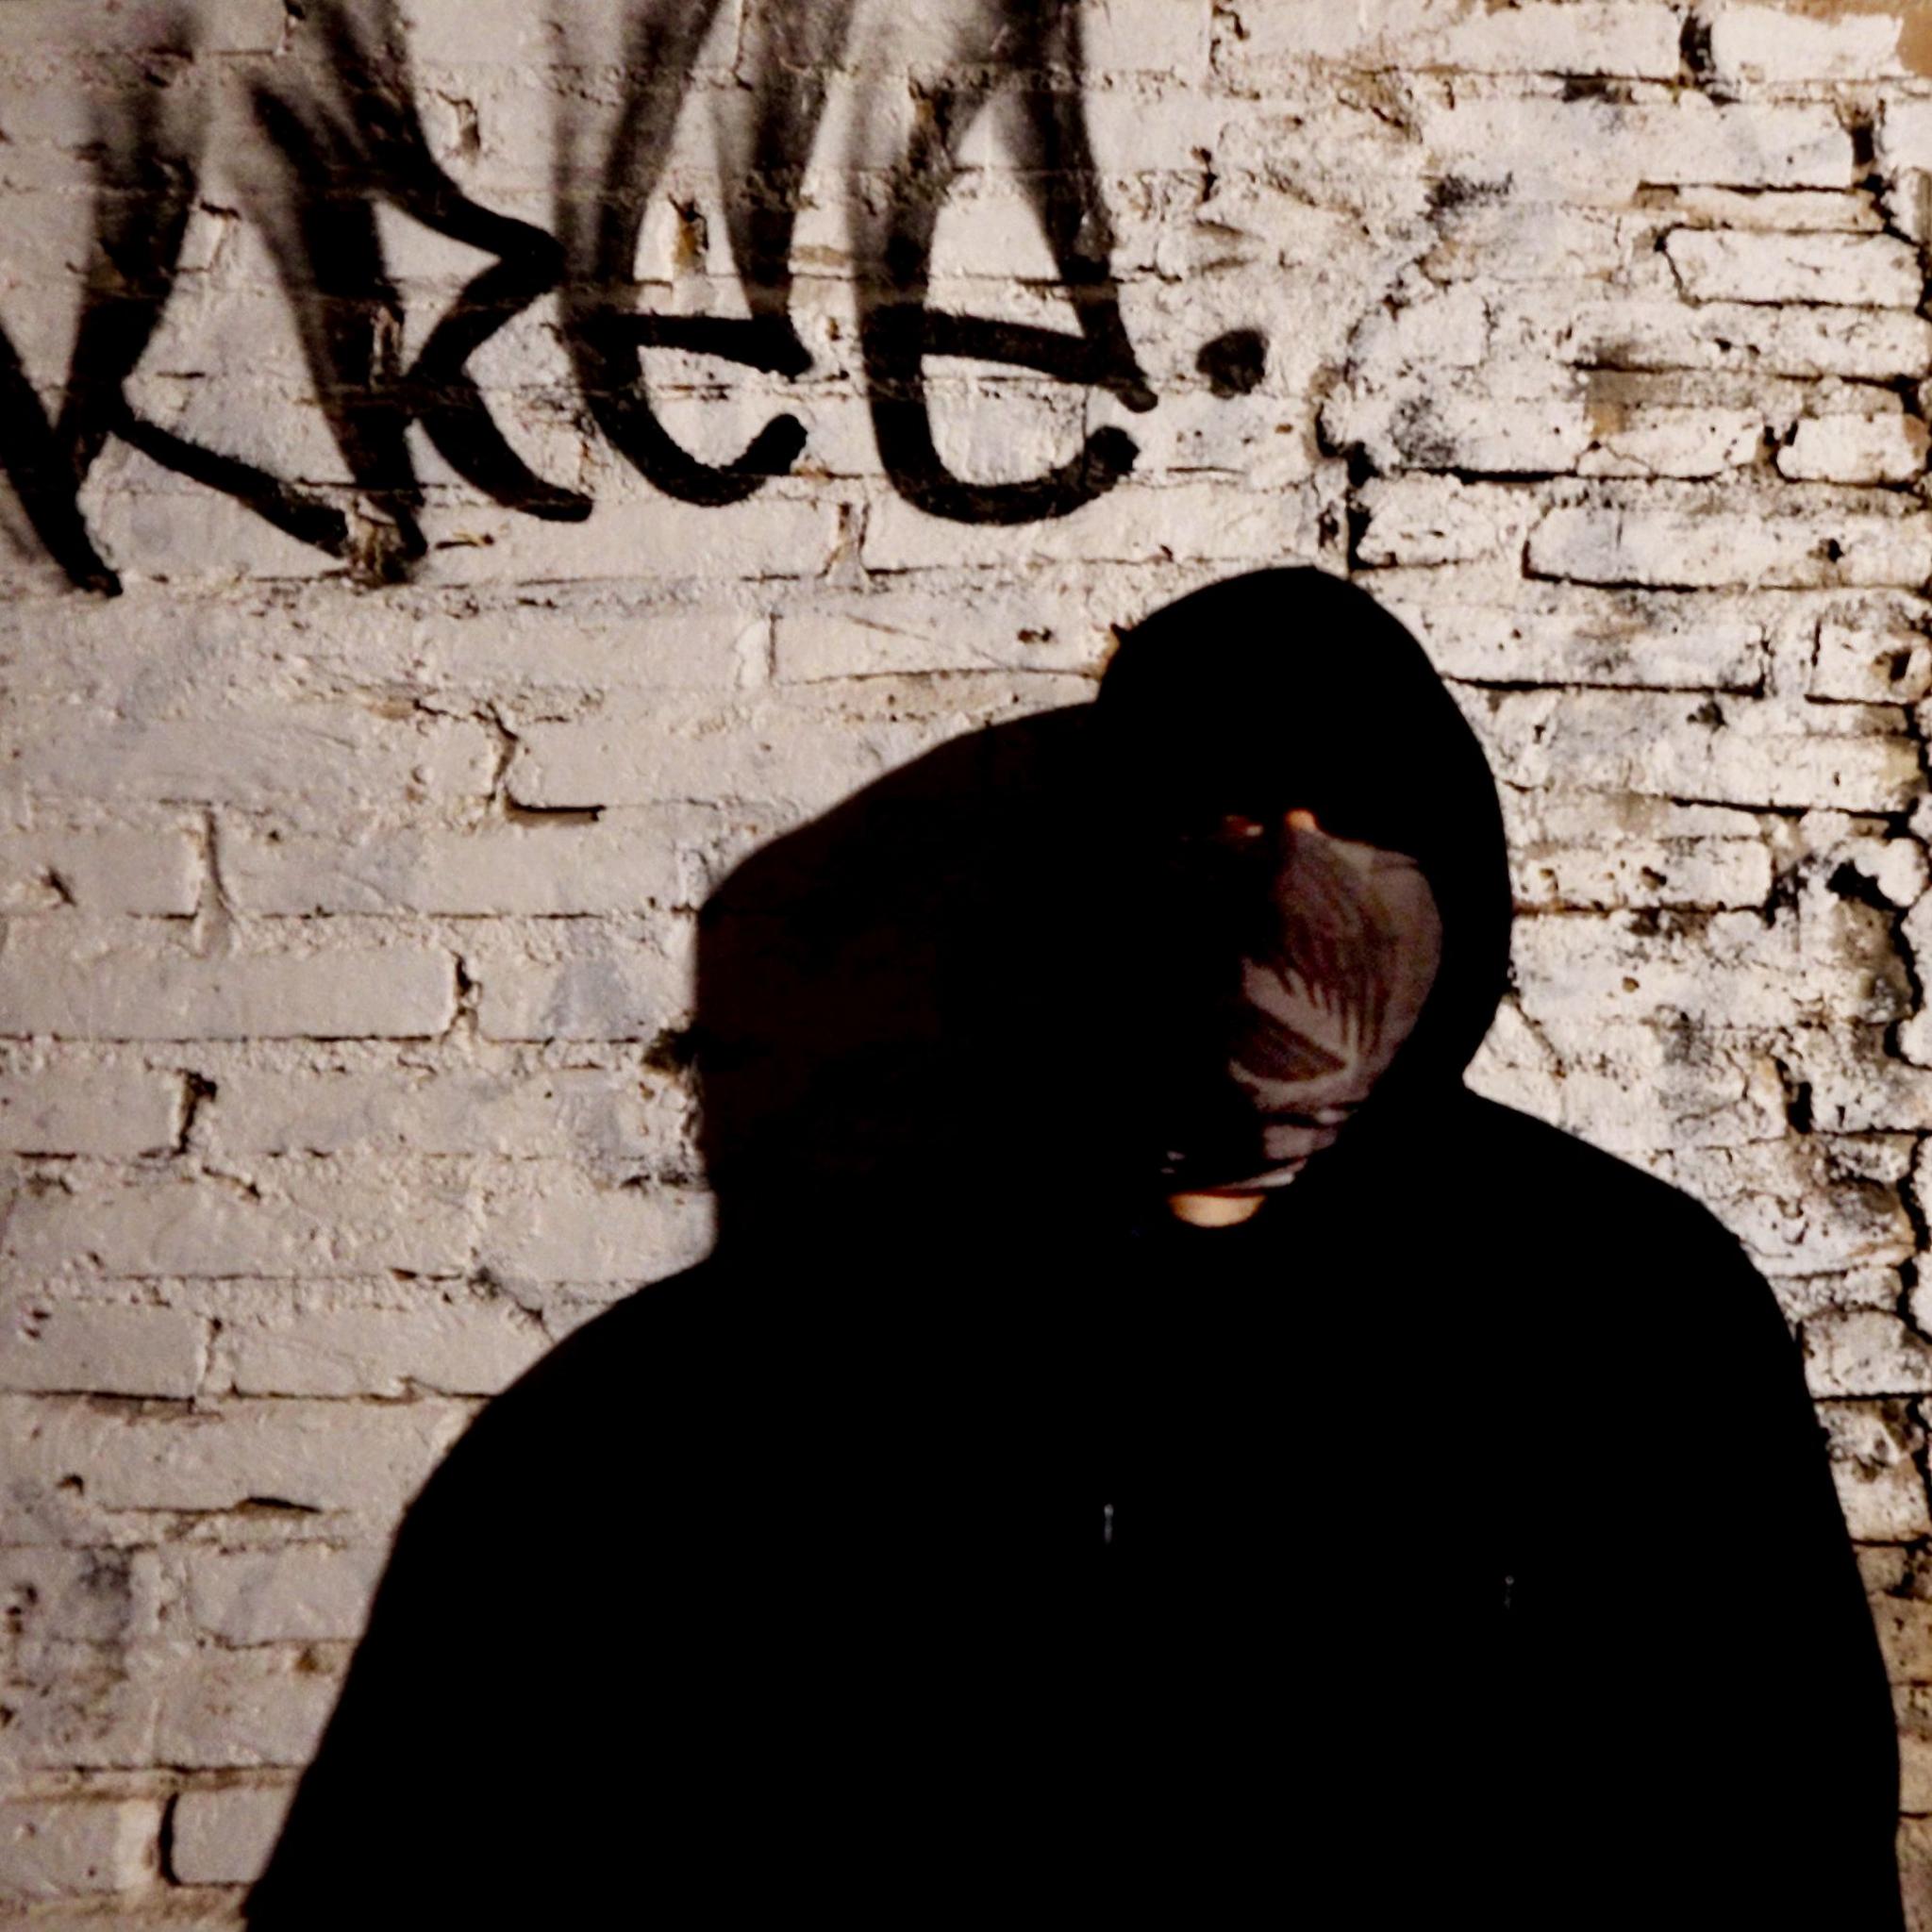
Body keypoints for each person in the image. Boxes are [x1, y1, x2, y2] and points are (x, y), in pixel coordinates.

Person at [245, 567, 1903, 1927]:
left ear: (1458, 884)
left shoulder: (1620, 1303)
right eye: (1229, 819)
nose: (1296, 884)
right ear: (1111, 873)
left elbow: (1778, 1831)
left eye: (1355, 823)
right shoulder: (829, 1339)